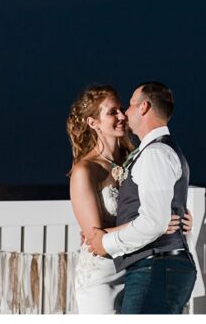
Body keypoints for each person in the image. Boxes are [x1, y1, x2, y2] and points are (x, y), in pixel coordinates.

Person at [66, 84, 189, 314]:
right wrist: (158, 225)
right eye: (112, 112)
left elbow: (154, 204)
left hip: (137, 265)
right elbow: (95, 238)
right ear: (93, 123)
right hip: (102, 274)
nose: (122, 115)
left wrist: (181, 219)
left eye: (122, 109)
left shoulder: (135, 159)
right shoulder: (85, 170)